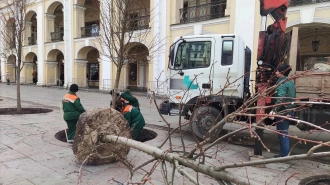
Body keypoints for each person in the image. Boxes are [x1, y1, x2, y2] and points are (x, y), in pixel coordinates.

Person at [269, 65, 296, 158]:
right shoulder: (290, 82)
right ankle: (284, 154)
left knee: (282, 133)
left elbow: (280, 98)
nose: (276, 73)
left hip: (283, 111)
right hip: (289, 109)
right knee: (284, 132)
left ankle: (284, 155)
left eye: (277, 71)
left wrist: (274, 110)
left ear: (282, 72)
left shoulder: (282, 83)